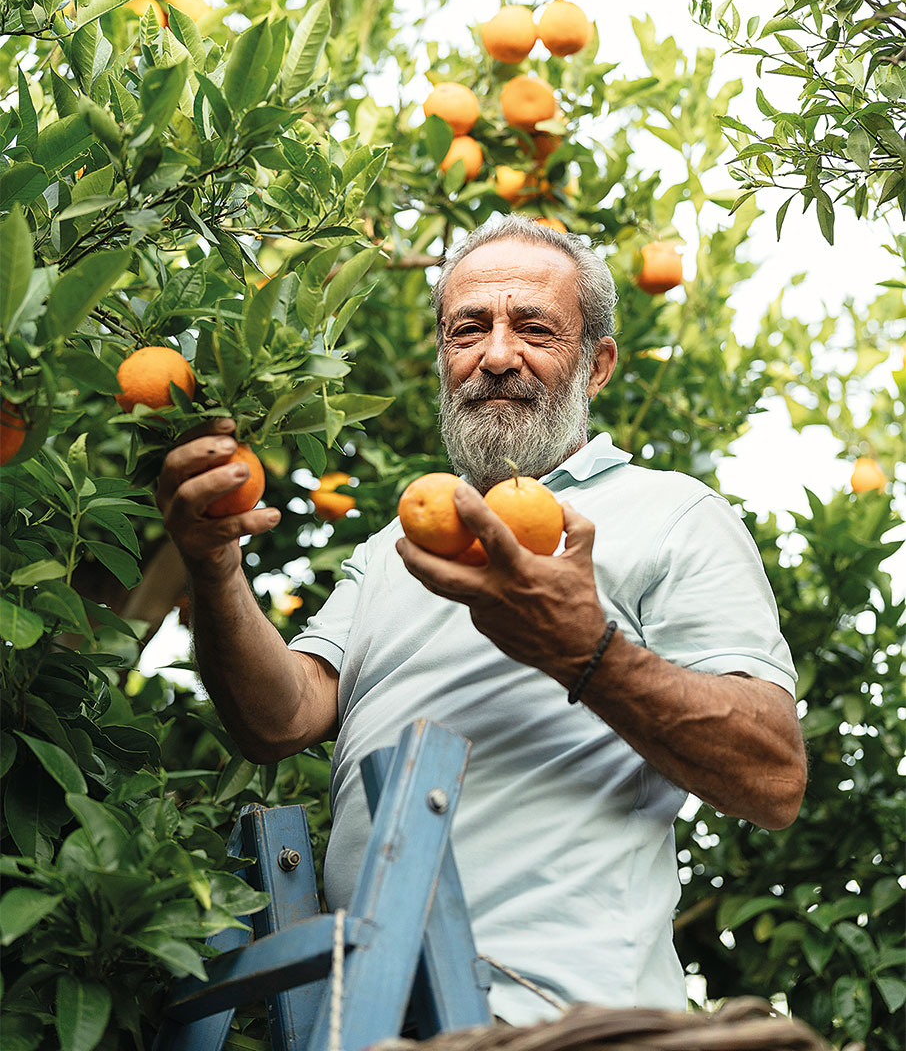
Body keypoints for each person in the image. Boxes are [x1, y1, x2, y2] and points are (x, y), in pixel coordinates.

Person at [157, 216, 807, 1024]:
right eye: (468, 330)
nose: (497, 355)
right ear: (444, 359)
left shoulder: (672, 513)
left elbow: (773, 776)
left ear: (598, 364)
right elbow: (278, 717)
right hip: (369, 1020)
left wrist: (586, 651)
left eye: (534, 328)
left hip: (565, 1021)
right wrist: (214, 567)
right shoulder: (393, 545)